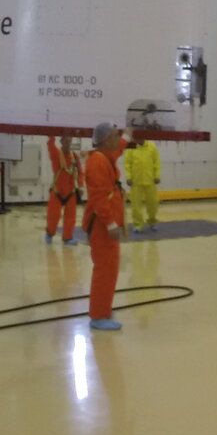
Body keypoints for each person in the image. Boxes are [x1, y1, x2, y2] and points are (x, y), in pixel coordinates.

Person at [83, 123, 128, 331]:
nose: (117, 139)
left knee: (110, 270)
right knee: (105, 271)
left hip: (107, 226)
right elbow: (99, 197)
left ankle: (103, 308)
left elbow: (117, 151)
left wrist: (128, 136)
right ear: (104, 140)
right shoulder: (97, 163)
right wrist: (110, 222)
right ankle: (98, 315)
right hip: (102, 226)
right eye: (114, 136)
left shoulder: (104, 157)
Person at [45, 135, 83, 244]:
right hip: (57, 191)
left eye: (69, 140)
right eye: (66, 140)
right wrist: (51, 135)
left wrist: (80, 186)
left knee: (71, 217)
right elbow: (51, 146)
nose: (68, 143)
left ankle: (68, 237)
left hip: (70, 192)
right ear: (61, 141)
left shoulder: (75, 157)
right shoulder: (56, 154)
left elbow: (80, 172)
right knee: (53, 217)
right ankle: (49, 233)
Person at [124, 137, 162, 233]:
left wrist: (157, 176)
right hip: (135, 182)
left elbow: (156, 162)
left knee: (153, 203)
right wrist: (129, 177)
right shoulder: (131, 147)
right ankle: (138, 224)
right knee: (135, 205)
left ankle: (152, 221)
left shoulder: (152, 146)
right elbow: (127, 163)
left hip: (150, 180)